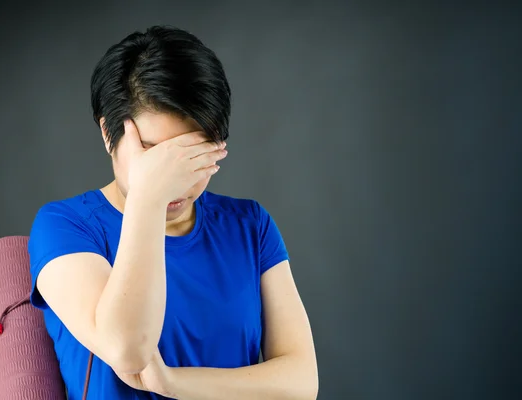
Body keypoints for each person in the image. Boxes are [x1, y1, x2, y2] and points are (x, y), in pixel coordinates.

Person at [28, 25, 319, 400]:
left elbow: (300, 382)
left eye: (190, 156)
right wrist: (148, 199)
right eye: (152, 152)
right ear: (107, 134)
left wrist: (176, 385)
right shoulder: (66, 227)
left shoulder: (249, 225)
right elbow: (127, 350)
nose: (174, 180)